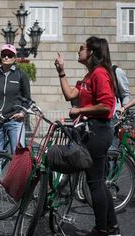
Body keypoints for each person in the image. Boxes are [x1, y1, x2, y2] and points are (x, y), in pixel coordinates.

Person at [55, 36, 119, 236]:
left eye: (82, 47)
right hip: (91, 131)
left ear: (91, 52)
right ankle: (112, 227)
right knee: (97, 181)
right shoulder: (89, 76)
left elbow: (107, 105)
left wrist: (81, 110)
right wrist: (61, 72)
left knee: (94, 183)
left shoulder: (100, 74)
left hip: (97, 131)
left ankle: (101, 229)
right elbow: (70, 95)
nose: (79, 50)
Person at [0, 44, 31, 205]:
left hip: (14, 120)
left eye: (9, 54)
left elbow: (27, 99)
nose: (6, 57)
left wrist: (23, 113)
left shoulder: (21, 75)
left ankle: (18, 191)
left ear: (15, 58)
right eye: (4, 54)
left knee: (19, 156)